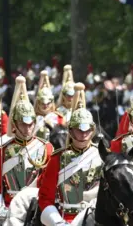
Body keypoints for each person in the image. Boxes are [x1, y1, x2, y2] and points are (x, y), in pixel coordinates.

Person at [0, 75, 53, 223]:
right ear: (14, 125)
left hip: (37, 208)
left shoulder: (46, 148)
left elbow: (50, 183)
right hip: (11, 209)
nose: (28, 129)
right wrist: (0, 208)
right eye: (23, 124)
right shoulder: (2, 151)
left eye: (30, 124)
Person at [38, 82, 103, 225]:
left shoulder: (101, 155)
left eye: (87, 130)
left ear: (93, 130)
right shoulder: (57, 159)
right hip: (65, 219)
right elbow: (45, 197)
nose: (84, 133)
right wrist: (57, 222)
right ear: (71, 131)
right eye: (79, 129)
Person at [33, 70, 64, 141]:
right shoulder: (32, 118)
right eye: (42, 103)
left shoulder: (59, 117)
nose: (45, 106)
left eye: (48, 103)